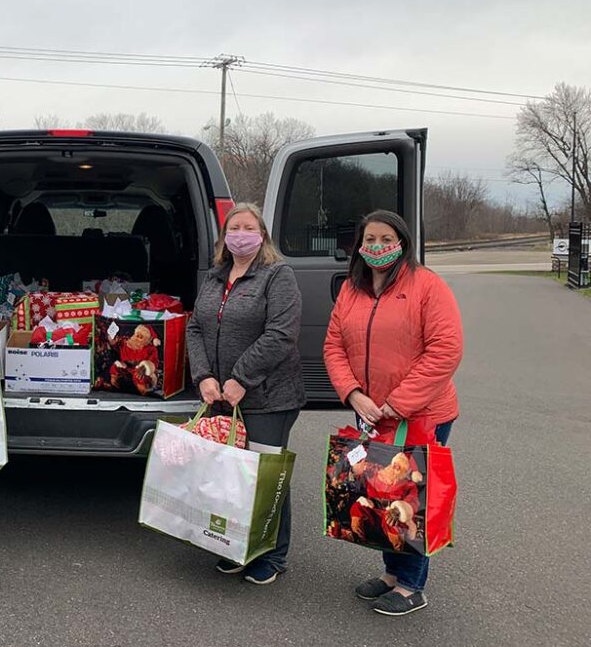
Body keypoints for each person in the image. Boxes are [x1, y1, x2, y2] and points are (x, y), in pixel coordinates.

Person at [323, 209, 463, 616]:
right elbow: (333, 346)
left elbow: (445, 350)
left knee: (411, 496)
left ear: (402, 243)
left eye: (387, 239)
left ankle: (412, 584)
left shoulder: (427, 287)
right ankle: (390, 572)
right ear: (360, 245)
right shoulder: (353, 289)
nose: (378, 247)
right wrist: (352, 393)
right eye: (370, 239)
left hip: (422, 413)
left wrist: (398, 403)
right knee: (379, 493)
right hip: (371, 413)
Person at [186, 202, 306, 585]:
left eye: (248, 227)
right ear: (224, 237)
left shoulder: (277, 275)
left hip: (269, 397)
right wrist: (204, 375)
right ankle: (238, 546)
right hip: (220, 396)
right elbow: (195, 328)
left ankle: (272, 555)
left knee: (266, 477)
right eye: (233, 227)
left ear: (262, 234)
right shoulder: (215, 275)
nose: (240, 233)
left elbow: (281, 334)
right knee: (231, 476)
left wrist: (240, 378)